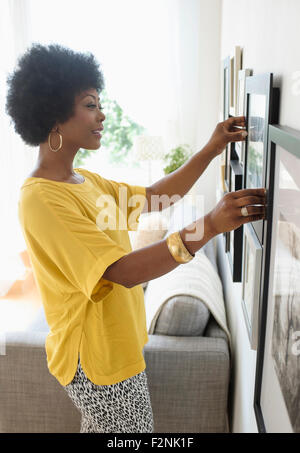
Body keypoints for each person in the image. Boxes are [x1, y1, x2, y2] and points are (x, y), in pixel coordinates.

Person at [6, 43, 266, 433]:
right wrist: (207, 226)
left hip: (117, 344)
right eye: (91, 104)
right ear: (54, 115)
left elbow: (155, 197)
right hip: (94, 355)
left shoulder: (84, 180)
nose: (103, 115)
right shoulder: (41, 198)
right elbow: (119, 271)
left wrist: (212, 149)